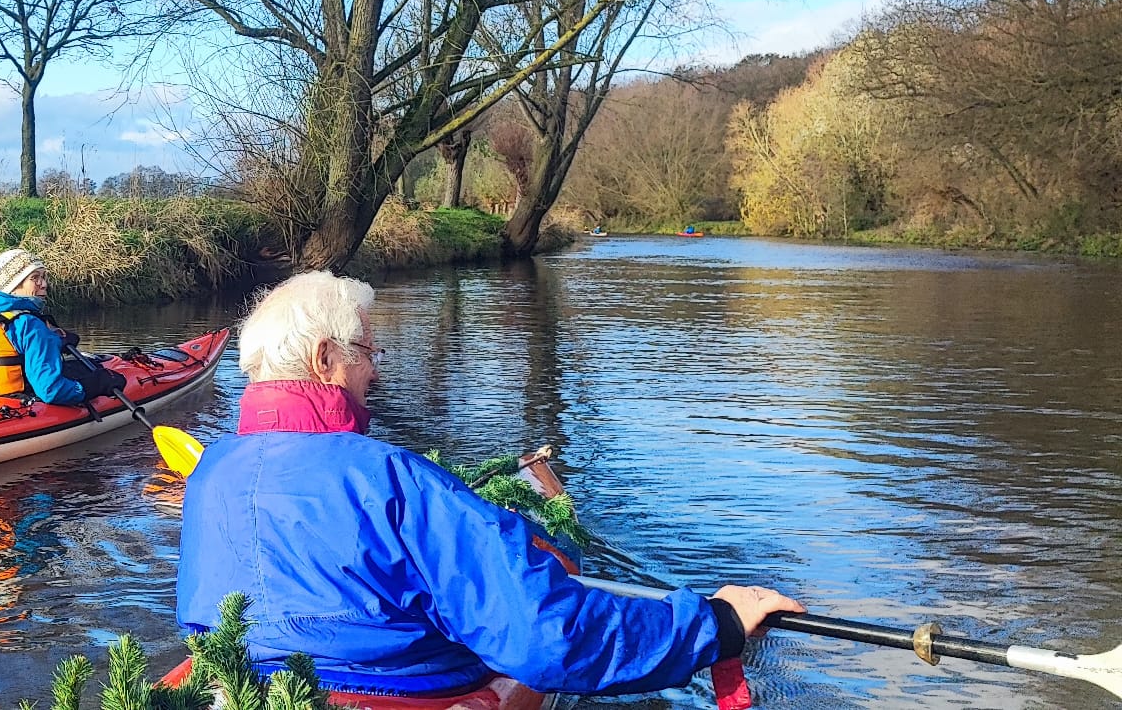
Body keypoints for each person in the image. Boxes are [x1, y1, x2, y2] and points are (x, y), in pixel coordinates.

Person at [176, 271, 803, 698]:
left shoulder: (209, 473)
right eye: (367, 352)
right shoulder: (393, 480)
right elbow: (545, 636)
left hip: (242, 684)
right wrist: (715, 625)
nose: (375, 372)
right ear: (324, 359)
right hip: (403, 689)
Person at [0, 248, 126, 405]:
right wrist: (96, 385)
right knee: (94, 375)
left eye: (43, 277)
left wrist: (53, 340)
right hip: (25, 401)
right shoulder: (30, 324)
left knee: (77, 366)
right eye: (35, 278)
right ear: (12, 285)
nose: (44, 284)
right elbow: (51, 391)